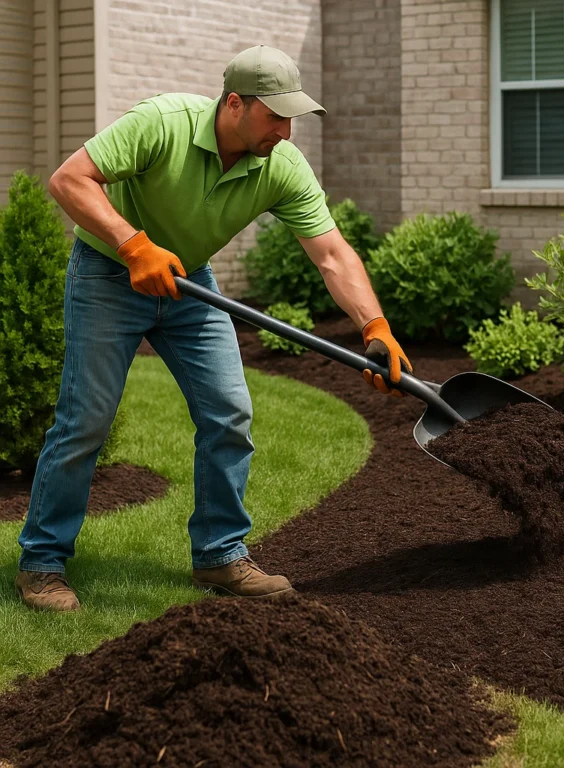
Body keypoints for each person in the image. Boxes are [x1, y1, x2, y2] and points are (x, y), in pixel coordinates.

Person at [15, 45, 412, 612]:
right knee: (85, 422)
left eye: (292, 116)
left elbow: (331, 254)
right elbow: (69, 180)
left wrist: (375, 325)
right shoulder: (162, 123)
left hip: (189, 285)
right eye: (275, 115)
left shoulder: (281, 165)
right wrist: (134, 246)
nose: (287, 131)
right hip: (109, 273)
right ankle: (42, 564)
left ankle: (220, 556)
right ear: (233, 104)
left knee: (229, 413)